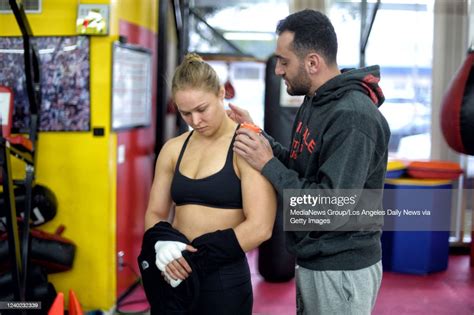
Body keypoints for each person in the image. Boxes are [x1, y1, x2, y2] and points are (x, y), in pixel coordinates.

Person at [230, 9, 390, 315]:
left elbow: (329, 208)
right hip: (314, 258)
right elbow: (300, 167)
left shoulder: (352, 118)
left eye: (284, 61)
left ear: (312, 62)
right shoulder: (315, 101)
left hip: (340, 267)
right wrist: (258, 136)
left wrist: (267, 164)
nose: (278, 69)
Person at [138, 53, 277, 315]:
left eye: (202, 109)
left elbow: (260, 227)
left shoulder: (247, 146)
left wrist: (195, 258)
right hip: (173, 271)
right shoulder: (173, 149)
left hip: (222, 280)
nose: (195, 121)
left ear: (221, 93)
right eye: (185, 113)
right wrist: (162, 244)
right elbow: (155, 212)